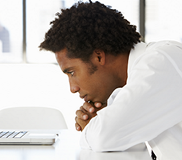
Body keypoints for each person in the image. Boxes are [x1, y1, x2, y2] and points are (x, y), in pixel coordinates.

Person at [39, 1, 182, 159]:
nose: (72, 88)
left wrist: (96, 126)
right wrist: (106, 117)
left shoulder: (160, 61)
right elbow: (123, 140)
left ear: (98, 56)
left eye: (72, 72)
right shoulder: (145, 72)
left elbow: (104, 137)